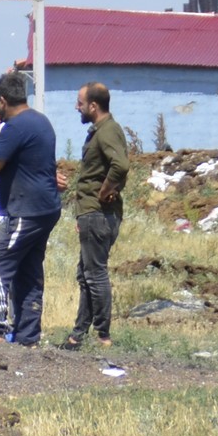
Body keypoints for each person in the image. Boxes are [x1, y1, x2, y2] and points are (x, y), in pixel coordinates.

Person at [0, 70, 59, 346]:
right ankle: (27, 337)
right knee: (28, 272)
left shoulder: (16, 127)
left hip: (27, 210)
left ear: (1, 101)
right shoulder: (40, 121)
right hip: (45, 208)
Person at [57, 81, 131, 349]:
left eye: (80, 102)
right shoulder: (104, 130)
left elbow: (121, 164)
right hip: (93, 213)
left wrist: (105, 190)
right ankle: (78, 334)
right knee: (86, 273)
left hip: (97, 213)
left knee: (94, 274)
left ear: (93, 106)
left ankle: (103, 336)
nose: (76, 107)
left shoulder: (106, 131)